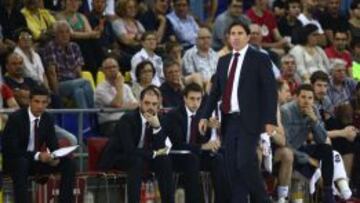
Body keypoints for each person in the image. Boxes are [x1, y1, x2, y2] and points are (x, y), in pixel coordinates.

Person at [199, 21, 277, 202]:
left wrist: (270, 119)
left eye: (240, 33)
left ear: (248, 37)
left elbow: (270, 91)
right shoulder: (223, 60)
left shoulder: (259, 58)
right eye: (232, 33)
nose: (235, 36)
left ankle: (263, 199)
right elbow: (215, 92)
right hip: (229, 121)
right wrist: (204, 115)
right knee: (232, 168)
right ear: (228, 37)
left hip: (249, 120)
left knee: (245, 162)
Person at [98, 85, 174, 203]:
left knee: (165, 160)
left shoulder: (160, 120)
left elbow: (162, 148)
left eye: (154, 104)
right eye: (147, 103)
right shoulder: (127, 119)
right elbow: (129, 150)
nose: (150, 107)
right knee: (136, 161)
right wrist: (153, 153)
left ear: (159, 106)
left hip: (143, 157)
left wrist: (157, 128)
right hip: (118, 157)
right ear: (140, 103)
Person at [2, 85, 76, 203]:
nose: (40, 106)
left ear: (47, 103)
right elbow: (11, 150)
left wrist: (54, 157)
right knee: (22, 162)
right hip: (15, 161)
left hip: (36, 162)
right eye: (37, 101)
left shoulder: (47, 118)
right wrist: (37, 155)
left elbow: (53, 145)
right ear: (30, 101)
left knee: (69, 164)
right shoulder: (16, 118)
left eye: (44, 102)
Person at [164, 83, 229, 203]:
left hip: (195, 155)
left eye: (198, 99)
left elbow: (203, 141)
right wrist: (203, 146)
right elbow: (177, 144)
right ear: (185, 98)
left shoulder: (202, 115)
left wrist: (208, 128)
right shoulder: (174, 116)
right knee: (192, 159)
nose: (195, 103)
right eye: (192, 99)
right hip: (177, 157)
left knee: (219, 158)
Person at [281, 84, 336, 202]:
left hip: (301, 149)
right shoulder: (286, 111)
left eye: (310, 98)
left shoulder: (314, 110)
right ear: (296, 98)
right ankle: (296, 198)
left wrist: (314, 120)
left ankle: (328, 193)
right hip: (286, 152)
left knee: (326, 149)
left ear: (313, 100)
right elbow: (285, 144)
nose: (306, 101)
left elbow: (322, 139)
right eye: (303, 97)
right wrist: (308, 158)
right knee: (305, 164)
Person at [95, 57, 138, 137]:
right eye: (108, 68)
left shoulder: (126, 87)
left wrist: (120, 107)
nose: (112, 69)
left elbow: (135, 105)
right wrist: (119, 88)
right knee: (127, 130)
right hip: (109, 124)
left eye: (114, 67)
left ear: (118, 68)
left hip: (126, 120)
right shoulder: (100, 89)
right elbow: (117, 104)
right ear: (103, 71)